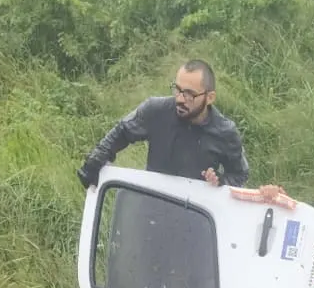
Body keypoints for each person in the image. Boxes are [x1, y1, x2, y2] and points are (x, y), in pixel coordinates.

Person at [77, 59, 249, 190]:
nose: (180, 99)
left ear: (209, 97)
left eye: (189, 94)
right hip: (153, 202)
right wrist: (96, 159)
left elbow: (240, 175)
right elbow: (122, 131)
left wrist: (220, 181)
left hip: (196, 215)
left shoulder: (226, 132)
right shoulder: (156, 110)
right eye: (178, 89)